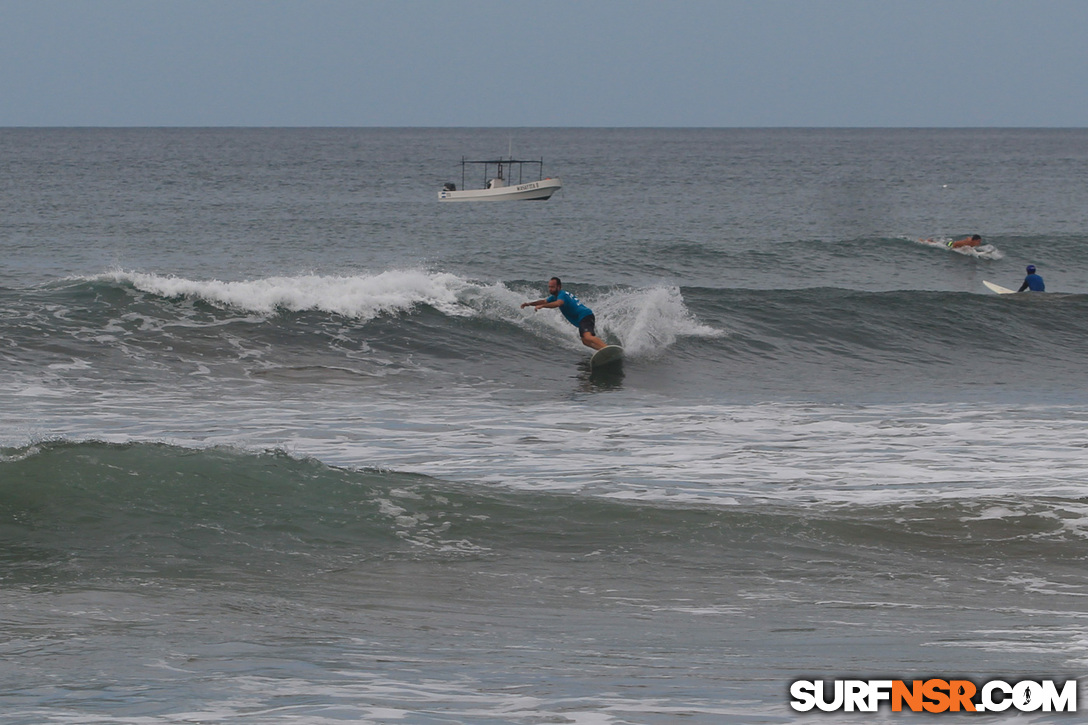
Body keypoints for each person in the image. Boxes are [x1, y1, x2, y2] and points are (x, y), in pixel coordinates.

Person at [521, 277, 607, 350]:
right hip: (584, 316)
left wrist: (543, 306)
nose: (550, 289)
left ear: (559, 287)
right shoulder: (555, 296)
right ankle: (603, 350)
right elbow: (544, 301)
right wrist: (529, 304)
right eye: (549, 287)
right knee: (585, 341)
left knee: (588, 337)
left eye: (552, 287)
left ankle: (606, 348)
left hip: (585, 315)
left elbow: (559, 303)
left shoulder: (561, 294)